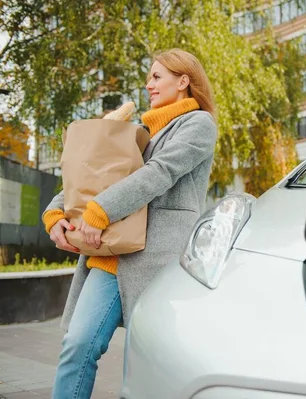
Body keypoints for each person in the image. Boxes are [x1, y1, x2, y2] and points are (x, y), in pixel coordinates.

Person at [41, 48, 218, 399]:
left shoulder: (198, 124)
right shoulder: (138, 132)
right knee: (77, 345)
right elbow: (94, 174)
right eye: (149, 77)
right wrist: (55, 212)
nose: (148, 84)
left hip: (155, 259)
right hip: (109, 254)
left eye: (157, 76)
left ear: (183, 81)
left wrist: (100, 211)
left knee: (140, 363)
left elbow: (160, 173)